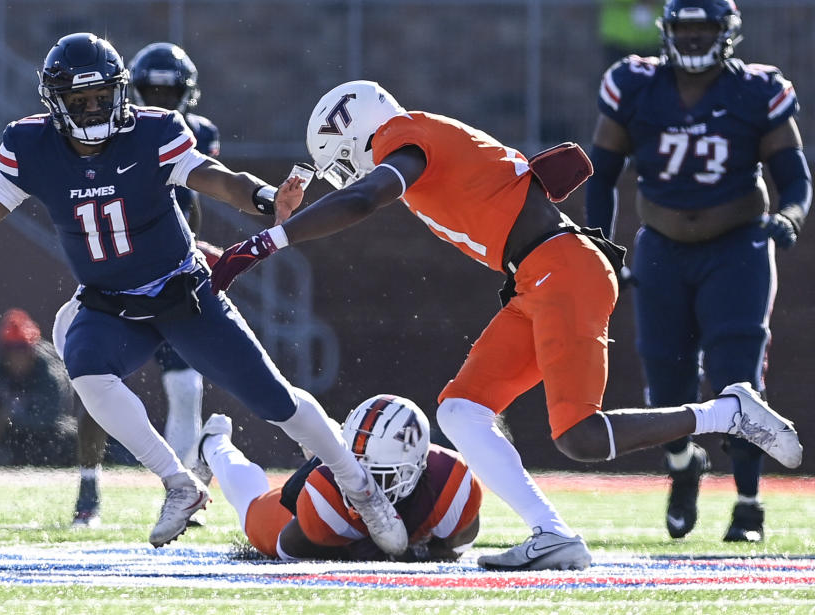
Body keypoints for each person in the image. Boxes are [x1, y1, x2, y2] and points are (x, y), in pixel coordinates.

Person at [209, 79, 803, 570]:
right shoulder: (416, 136)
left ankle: (728, 412)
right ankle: (553, 533)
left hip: (561, 269)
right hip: (537, 277)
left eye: (343, 160)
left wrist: (272, 239)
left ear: (355, 134)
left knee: (581, 435)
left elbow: (365, 199)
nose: (349, 171)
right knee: (460, 409)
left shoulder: (405, 138)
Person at [0, 33, 408, 554]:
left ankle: (360, 487)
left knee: (275, 399)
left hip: (181, 292)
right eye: (80, 101)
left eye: (101, 97)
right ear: (56, 104)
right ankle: (179, 483)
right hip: (109, 301)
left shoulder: (153, 131)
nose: (94, 109)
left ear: (119, 92)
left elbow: (216, 178)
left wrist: (267, 198)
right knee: (87, 371)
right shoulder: (32, 146)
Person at [584, 0, 811, 542]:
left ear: (726, 32)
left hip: (738, 248)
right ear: (666, 32)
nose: (691, 40)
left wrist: (790, 217)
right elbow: (602, 174)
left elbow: (794, 175)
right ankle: (685, 464)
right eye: (683, 29)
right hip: (660, 247)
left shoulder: (758, 91)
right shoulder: (634, 84)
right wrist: (600, 244)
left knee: (739, 375)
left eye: (702, 29)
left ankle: (749, 505)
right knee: (666, 378)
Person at [69, 41, 222, 528]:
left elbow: (193, 201)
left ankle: (183, 491)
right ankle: (88, 488)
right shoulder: (106, 133)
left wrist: (195, 252)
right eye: (150, 89)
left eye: (167, 90)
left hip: (172, 274)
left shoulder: (193, 134)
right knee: (93, 378)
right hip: (115, 273)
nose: (158, 98)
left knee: (185, 385)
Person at [197, 394, 481, 561]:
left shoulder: (452, 485)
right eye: (361, 470)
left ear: (414, 468)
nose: (362, 484)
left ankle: (325, 437)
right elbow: (290, 550)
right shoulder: (327, 496)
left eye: (377, 475)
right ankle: (214, 444)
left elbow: (453, 551)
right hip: (333, 468)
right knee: (254, 515)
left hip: (346, 461)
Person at [0, 308, 75, 467]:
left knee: (67, 436)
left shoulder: (49, 372)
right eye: (11, 349)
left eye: (22, 348)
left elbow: (50, 415)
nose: (17, 355)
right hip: (2, 435)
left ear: (32, 350)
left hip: (38, 435)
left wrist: (10, 421)